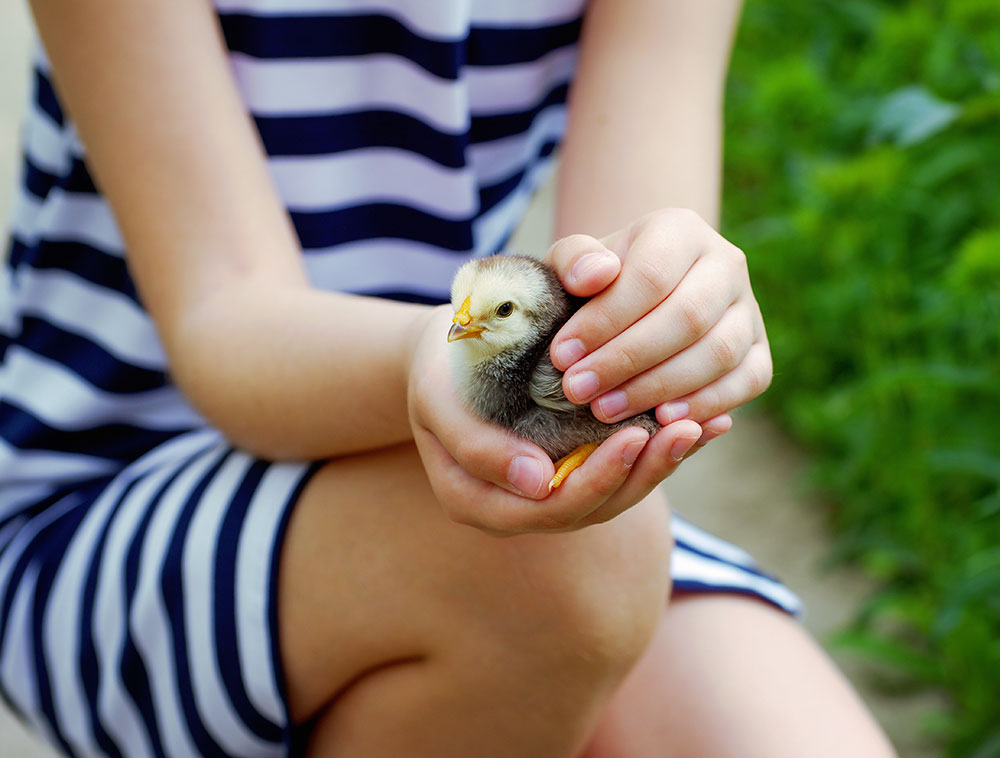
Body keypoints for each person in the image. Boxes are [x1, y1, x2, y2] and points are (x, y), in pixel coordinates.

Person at [0, 0, 897, 756]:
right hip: (112, 484)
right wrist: (433, 362)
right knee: (568, 569)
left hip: (439, 460)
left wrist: (670, 314)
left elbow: (627, 262)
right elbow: (223, 321)